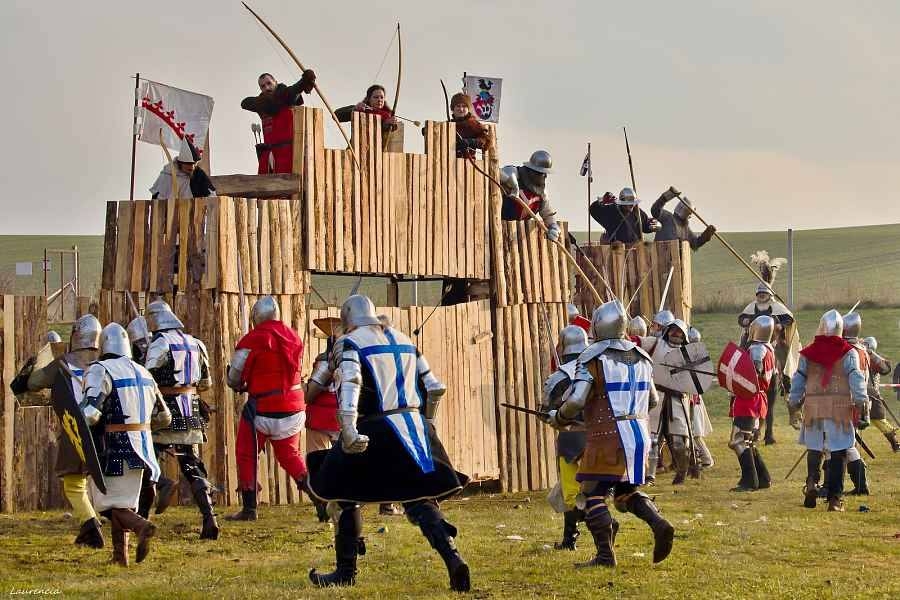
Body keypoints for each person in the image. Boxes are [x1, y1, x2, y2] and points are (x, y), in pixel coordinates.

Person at [307, 295, 470, 591]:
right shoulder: (404, 338)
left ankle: (345, 571)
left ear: (347, 319)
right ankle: (453, 558)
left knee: (342, 496)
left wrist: (349, 430)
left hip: (375, 428)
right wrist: (427, 424)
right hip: (413, 426)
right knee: (418, 497)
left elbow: (351, 384)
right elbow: (434, 387)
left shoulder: (350, 342)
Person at [548, 300, 674, 567]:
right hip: (639, 435)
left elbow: (576, 401)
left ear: (597, 325)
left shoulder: (592, 358)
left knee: (590, 494)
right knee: (625, 492)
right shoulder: (642, 356)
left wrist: (558, 418)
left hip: (607, 436)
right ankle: (659, 523)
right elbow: (652, 401)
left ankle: (605, 555)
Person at [81, 323, 172, 566]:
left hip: (115, 448)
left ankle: (142, 527)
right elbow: (164, 417)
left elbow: (90, 414)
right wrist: (139, 425)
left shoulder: (100, 370)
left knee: (109, 505)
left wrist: (74, 416)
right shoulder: (144, 372)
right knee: (123, 503)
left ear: (103, 345)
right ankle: (120, 557)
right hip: (145, 449)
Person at [21, 315, 104, 548]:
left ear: (76, 335)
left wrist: (42, 361)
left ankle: (91, 526)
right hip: (104, 431)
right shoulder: (105, 363)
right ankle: (97, 525)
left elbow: (32, 383)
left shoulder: (62, 364)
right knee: (100, 482)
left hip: (76, 429)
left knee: (74, 484)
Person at [139, 301, 218, 539]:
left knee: (147, 459)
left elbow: (147, 378)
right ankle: (210, 518)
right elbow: (206, 383)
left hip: (165, 412)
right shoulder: (196, 343)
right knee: (191, 464)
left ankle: (142, 518)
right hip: (190, 411)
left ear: (155, 319)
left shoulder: (160, 344)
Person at [226, 296, 308, 521]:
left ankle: (249, 508)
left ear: (256, 317)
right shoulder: (293, 336)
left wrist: (239, 382)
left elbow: (234, 377)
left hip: (263, 409)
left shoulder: (253, 339)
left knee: (246, 454)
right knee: (290, 455)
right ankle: (319, 497)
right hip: (294, 406)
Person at [788, 310, 868, 512]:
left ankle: (812, 482)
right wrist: (861, 401)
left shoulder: (808, 352)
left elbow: (798, 379)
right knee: (839, 450)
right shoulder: (848, 352)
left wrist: (794, 402)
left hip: (813, 407)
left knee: (815, 447)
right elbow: (857, 378)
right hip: (839, 408)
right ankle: (835, 499)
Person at [540, 325, 589, 551]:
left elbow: (547, 411)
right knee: (589, 490)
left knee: (571, 494)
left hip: (571, 441)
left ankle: (606, 523)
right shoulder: (597, 369)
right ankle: (570, 539)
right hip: (598, 438)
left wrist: (552, 415)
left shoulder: (559, 377)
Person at [738, 282, 795, 445]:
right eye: (759, 293)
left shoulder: (776, 308)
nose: (761, 295)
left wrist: (780, 324)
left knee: (782, 359)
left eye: (764, 293)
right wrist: (747, 321)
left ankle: (786, 381)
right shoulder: (752, 307)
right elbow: (741, 319)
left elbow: (789, 319)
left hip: (772, 345)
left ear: (770, 295)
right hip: (752, 342)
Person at [639, 319, 694, 484]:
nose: (675, 333)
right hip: (656, 397)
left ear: (684, 335)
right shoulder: (655, 343)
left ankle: (682, 472)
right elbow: (634, 343)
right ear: (667, 331)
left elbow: (694, 381)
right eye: (673, 330)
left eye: (679, 331)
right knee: (652, 439)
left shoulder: (688, 353)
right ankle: (649, 476)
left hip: (678, 400)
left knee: (679, 442)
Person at [728, 316, 775, 492]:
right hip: (757, 398)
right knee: (748, 441)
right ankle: (763, 478)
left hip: (749, 399)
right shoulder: (769, 348)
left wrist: (736, 377)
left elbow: (754, 373)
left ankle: (749, 481)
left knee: (737, 440)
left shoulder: (757, 349)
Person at [304, 316, 342, 522]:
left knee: (319, 465)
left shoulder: (325, 361)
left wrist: (304, 387)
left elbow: (311, 394)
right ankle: (340, 504)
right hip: (342, 417)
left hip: (322, 418)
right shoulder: (356, 361)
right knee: (341, 464)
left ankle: (324, 504)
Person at [241, 70, 317, 174]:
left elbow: (295, 89)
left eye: (269, 83)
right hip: (269, 155)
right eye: (263, 86)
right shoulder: (261, 103)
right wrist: (265, 103)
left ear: (275, 82)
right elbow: (244, 103)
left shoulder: (286, 95)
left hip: (289, 153)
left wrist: (304, 81)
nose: (267, 88)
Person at [839, 313, 870, 495]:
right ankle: (859, 485)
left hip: (848, 402)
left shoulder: (848, 351)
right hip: (856, 402)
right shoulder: (862, 349)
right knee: (844, 444)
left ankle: (860, 485)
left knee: (844, 445)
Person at [498, 150, 561, 241]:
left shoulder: (542, 193)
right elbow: (498, 173)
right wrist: (513, 184)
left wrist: (554, 228)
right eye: (540, 173)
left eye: (544, 173)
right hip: (497, 227)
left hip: (518, 237)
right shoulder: (516, 173)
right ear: (532, 170)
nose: (544, 176)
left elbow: (548, 215)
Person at [862, 336, 899, 452]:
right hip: (858, 393)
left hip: (871, 394)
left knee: (879, 420)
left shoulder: (873, 359)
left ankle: (895, 443)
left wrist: (871, 353)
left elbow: (886, 369)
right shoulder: (858, 355)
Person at [149, 137, 215, 199]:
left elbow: (211, 194)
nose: (192, 167)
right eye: (189, 164)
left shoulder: (198, 174)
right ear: (181, 163)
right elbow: (156, 197)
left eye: (194, 163)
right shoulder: (168, 174)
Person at [650, 187, 716, 249]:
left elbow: (695, 244)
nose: (689, 216)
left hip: (676, 257)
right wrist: (668, 195)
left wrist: (706, 234)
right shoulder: (667, 218)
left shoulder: (685, 229)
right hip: (660, 254)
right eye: (689, 213)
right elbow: (655, 210)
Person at [687, 326, 714, 472]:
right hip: (693, 398)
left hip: (693, 399)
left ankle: (706, 459)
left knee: (695, 433)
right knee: (691, 432)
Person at [589, 188, 660, 244]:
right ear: (622, 202)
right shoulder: (612, 210)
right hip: (616, 251)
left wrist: (655, 225)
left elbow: (646, 226)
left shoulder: (638, 212)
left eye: (633, 203)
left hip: (635, 251)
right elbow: (593, 209)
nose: (631, 205)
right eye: (629, 203)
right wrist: (602, 200)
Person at [335, 84, 399, 133]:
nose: (379, 100)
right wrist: (355, 109)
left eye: (382, 97)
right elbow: (336, 115)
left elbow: (388, 128)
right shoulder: (360, 109)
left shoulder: (387, 115)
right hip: (357, 145)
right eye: (376, 97)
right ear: (369, 99)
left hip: (378, 146)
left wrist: (388, 123)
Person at [449, 92, 493, 158]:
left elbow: (486, 140)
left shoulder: (473, 123)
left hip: (467, 162)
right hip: (447, 161)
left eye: (464, 106)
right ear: (453, 108)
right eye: (458, 106)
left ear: (468, 109)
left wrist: (471, 142)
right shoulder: (447, 125)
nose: (461, 109)